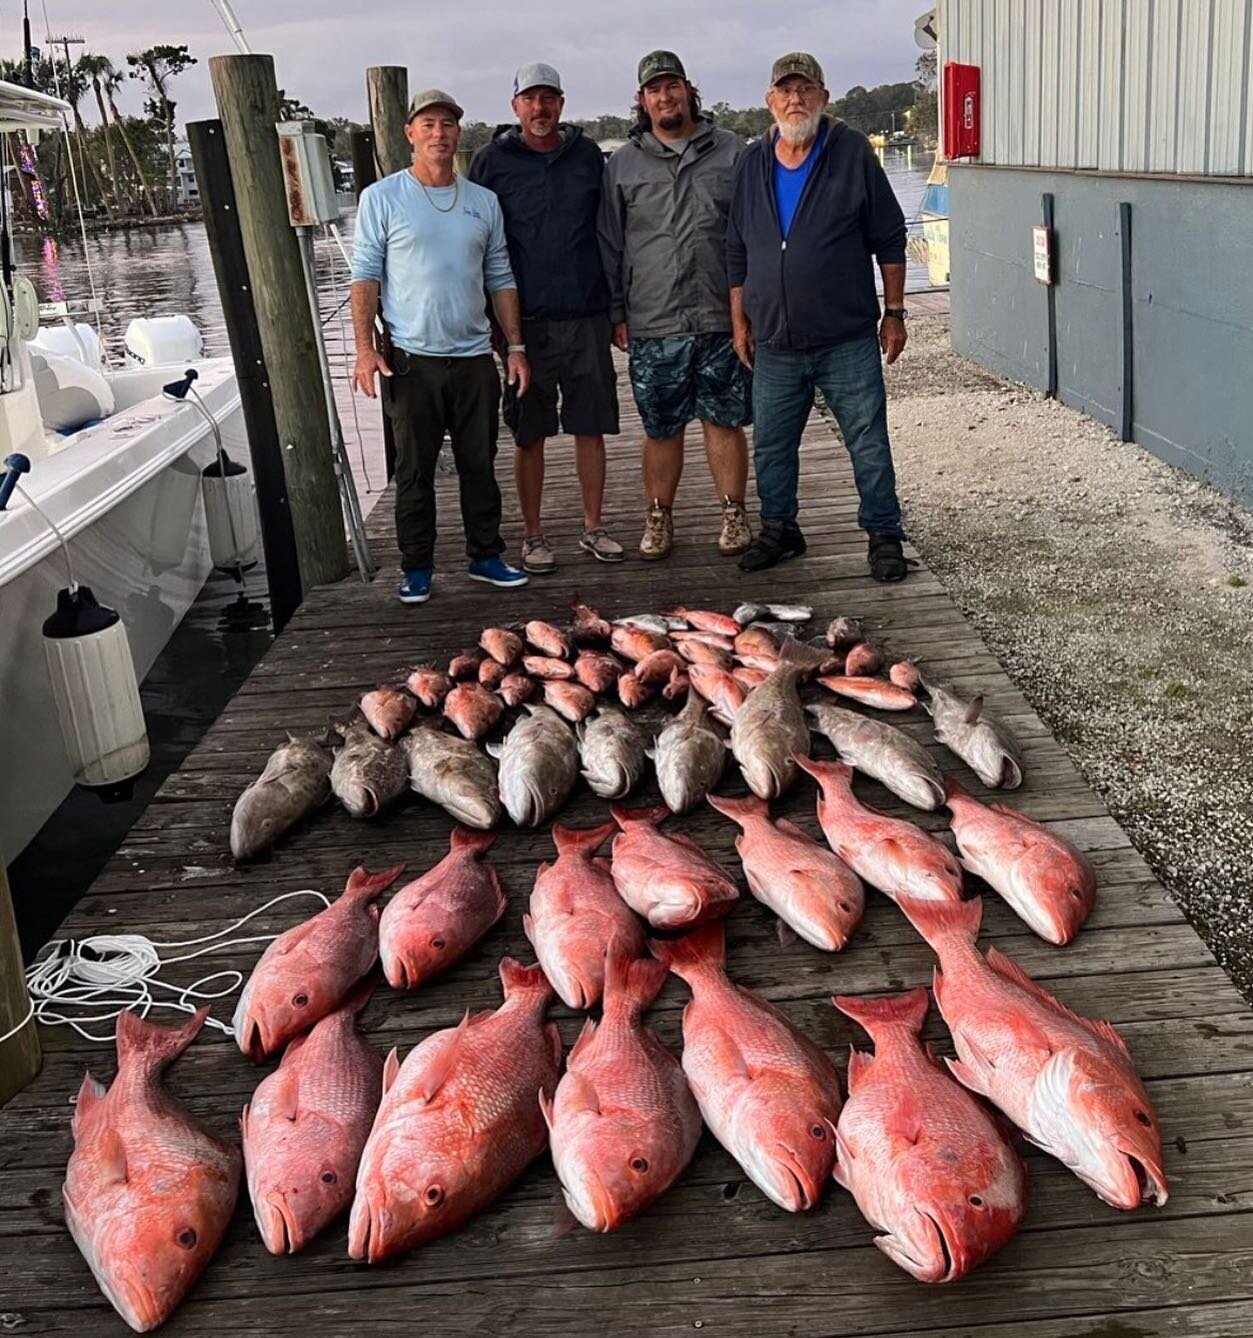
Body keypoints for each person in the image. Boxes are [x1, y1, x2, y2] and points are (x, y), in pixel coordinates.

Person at [727, 53, 912, 582]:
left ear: (823, 97)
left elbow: (890, 237)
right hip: (776, 342)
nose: (795, 100)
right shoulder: (750, 162)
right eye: (784, 90)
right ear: (769, 101)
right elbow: (736, 249)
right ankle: (781, 530)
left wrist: (894, 313)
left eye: (805, 89)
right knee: (773, 447)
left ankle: (883, 534)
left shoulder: (851, 151)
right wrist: (739, 321)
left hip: (846, 338)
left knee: (868, 441)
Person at [350, 88, 530, 604]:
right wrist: (366, 349)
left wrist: (514, 346)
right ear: (410, 133)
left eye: (447, 124)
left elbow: (500, 275)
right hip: (411, 361)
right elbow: (365, 276)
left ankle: (486, 556)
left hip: (474, 358)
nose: (438, 133)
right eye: (427, 124)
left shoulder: (483, 202)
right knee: (414, 470)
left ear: (458, 134)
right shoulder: (381, 198)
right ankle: (417, 566)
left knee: (480, 463)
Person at [597, 50, 752, 562]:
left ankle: (733, 513)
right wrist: (617, 312)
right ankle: (659, 517)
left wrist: (752, 306)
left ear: (689, 89)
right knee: (660, 427)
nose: (665, 97)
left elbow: (754, 233)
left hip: (720, 315)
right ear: (642, 101)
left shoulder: (732, 152)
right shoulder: (621, 163)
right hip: (653, 318)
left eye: (672, 86)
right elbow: (610, 244)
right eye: (654, 90)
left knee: (722, 420)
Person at [469, 62, 624, 574]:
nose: (540, 108)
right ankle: (533, 536)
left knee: (590, 425)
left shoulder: (586, 156)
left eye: (549, 98)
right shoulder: (491, 162)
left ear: (561, 102)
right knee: (528, 432)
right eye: (530, 99)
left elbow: (609, 232)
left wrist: (617, 307)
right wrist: (492, 323)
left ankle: (593, 527)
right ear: (515, 106)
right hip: (523, 326)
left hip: (586, 316)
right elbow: (478, 243)